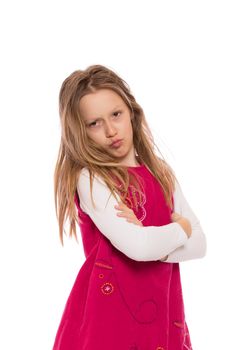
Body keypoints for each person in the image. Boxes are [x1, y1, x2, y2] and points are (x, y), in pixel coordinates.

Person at [52, 64, 207, 350]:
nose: (111, 130)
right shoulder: (91, 178)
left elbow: (200, 245)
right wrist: (180, 228)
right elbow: (139, 248)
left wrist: (154, 240)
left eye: (116, 115)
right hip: (109, 319)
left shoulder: (161, 173)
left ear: (131, 113)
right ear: (81, 132)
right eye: (94, 123)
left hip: (163, 314)